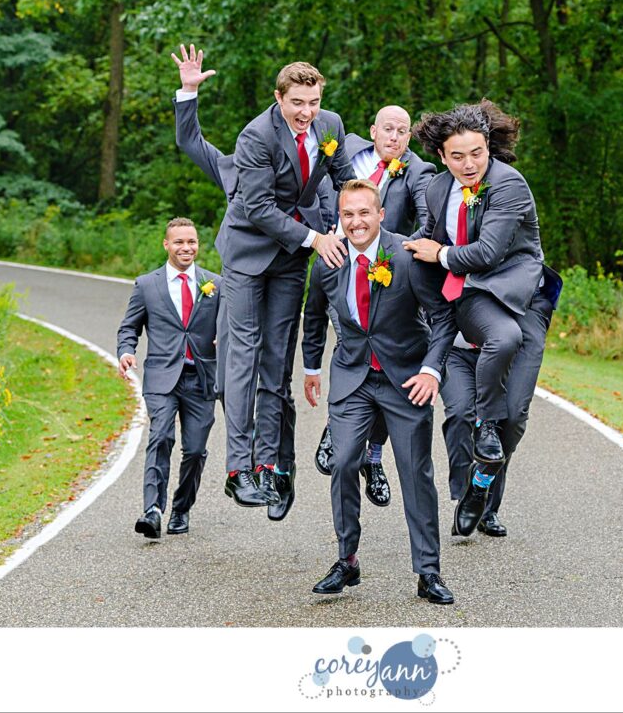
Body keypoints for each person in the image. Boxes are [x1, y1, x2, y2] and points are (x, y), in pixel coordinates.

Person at [173, 46, 355, 520]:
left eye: (313, 102)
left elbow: (343, 179)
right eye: (297, 103)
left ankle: (271, 466)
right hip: (248, 255)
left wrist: (346, 223)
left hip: (292, 256)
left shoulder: (330, 126)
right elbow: (254, 206)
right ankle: (238, 469)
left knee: (277, 361)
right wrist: (188, 93)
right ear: (279, 98)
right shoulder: (255, 138)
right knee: (243, 356)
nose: (306, 112)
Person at [301, 180, 457, 604]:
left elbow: (444, 319)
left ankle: (428, 572)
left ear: (381, 214)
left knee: (414, 472)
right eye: (348, 215)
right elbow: (313, 316)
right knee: (342, 461)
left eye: (364, 213)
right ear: (340, 218)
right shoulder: (329, 260)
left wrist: (431, 371)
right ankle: (346, 560)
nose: (356, 222)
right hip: (352, 376)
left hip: (405, 378)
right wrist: (312, 368)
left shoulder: (406, 257)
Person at [403, 99, 545, 534]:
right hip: (472, 297)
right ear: (442, 156)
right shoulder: (437, 189)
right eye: (458, 156)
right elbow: (424, 239)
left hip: (520, 298)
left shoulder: (508, 185)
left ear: (488, 147)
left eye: (477, 153)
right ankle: (480, 441)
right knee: (468, 404)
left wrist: (441, 255)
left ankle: (482, 488)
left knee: (514, 416)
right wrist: (374, 244)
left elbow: (486, 253)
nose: (469, 165)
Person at [313, 105, 437, 508]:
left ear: (409, 137)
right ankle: (340, 428)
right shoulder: (346, 149)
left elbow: (428, 220)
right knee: (354, 345)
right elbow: (317, 183)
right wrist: (324, 234)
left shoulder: (419, 171)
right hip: (340, 264)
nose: (394, 137)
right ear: (373, 131)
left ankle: (374, 454)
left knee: (384, 357)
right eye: (388, 129)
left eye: (402, 131)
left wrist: (397, 251)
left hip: (387, 272)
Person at [117, 217, 223, 539]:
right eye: (179, 242)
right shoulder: (147, 285)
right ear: (166, 245)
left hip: (201, 378)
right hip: (162, 378)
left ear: (198, 245)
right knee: (160, 436)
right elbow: (129, 327)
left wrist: (225, 338)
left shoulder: (214, 284)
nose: (186, 248)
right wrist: (126, 351)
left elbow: (231, 325)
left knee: (195, 450)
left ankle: (181, 507)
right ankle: (152, 510)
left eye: (191, 242)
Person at [441, 265, 562, 537]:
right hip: (457, 351)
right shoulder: (446, 246)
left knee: (506, 421)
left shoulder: (516, 264)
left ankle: (485, 501)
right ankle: (466, 495)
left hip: (502, 350)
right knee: (460, 412)